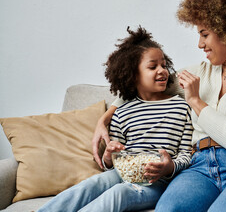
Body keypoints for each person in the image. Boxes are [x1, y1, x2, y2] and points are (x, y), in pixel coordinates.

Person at [93, 0, 226, 212]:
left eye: (204, 34)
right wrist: (104, 119)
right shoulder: (197, 73)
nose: (199, 44)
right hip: (198, 168)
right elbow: (144, 84)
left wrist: (196, 101)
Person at [38, 26, 193, 212]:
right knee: (93, 183)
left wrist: (170, 167)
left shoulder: (181, 107)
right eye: (153, 67)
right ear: (133, 75)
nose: (162, 71)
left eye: (163, 65)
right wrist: (109, 156)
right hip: (121, 173)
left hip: (155, 183)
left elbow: (187, 154)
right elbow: (113, 161)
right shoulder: (122, 111)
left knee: (119, 193)